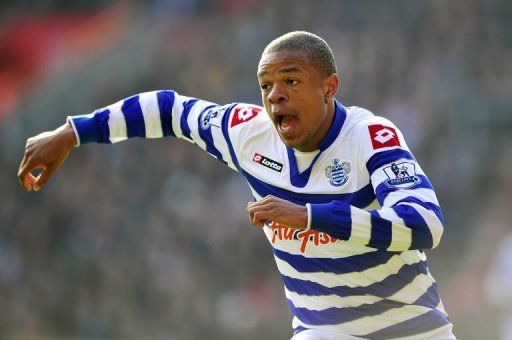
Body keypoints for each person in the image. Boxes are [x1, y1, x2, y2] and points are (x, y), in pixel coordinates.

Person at [18, 31, 455, 339]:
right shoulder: (247, 132)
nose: (275, 95)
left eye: (291, 80)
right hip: (326, 329)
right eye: (266, 84)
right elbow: (168, 110)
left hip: (412, 327)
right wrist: (72, 133)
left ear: (329, 87)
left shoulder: (370, 137)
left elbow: (424, 225)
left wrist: (309, 216)